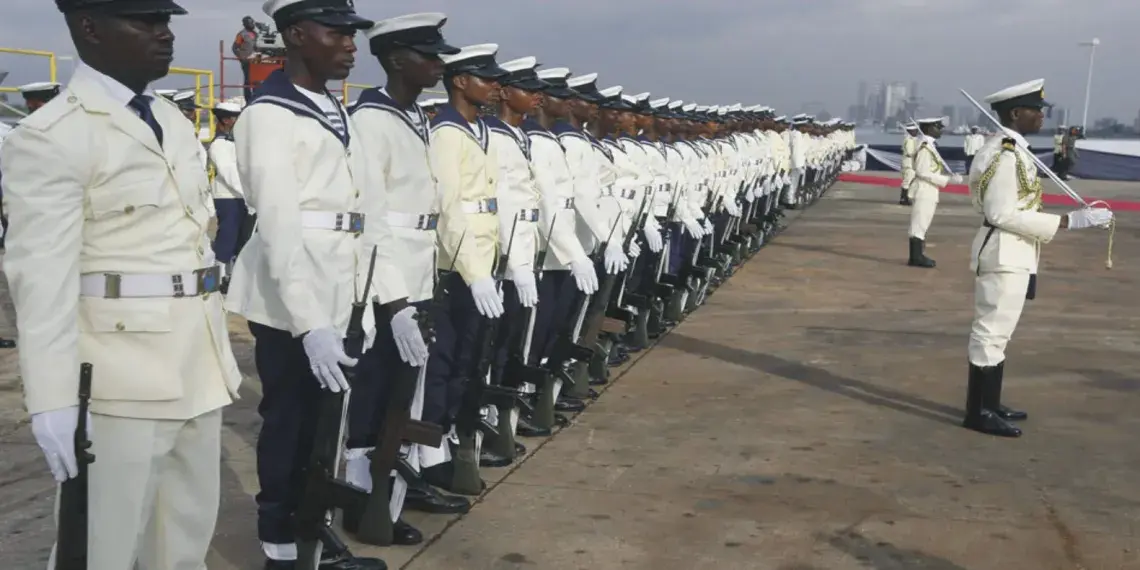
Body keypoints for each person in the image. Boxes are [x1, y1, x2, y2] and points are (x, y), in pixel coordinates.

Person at [1, 0, 243, 568]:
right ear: (89, 28)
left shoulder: (173, 119)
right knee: (105, 547)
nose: (163, 34)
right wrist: (52, 400)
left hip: (198, 361)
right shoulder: (52, 135)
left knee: (184, 542)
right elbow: (41, 280)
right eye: (144, 21)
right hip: (117, 375)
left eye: (165, 21)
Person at [223, 0, 383, 568]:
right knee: (289, 421)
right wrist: (309, 320)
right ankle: (281, 545)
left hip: (342, 291)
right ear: (294, 34)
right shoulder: (269, 114)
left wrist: (371, 297)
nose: (349, 44)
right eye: (336, 32)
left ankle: (315, 533)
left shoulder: (336, 110)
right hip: (293, 297)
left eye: (352, 33)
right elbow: (278, 225)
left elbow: (363, 210)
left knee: (325, 425)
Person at [345, 10, 470, 536]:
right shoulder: (370, 121)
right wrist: (393, 303)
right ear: (397, 59)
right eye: (429, 55)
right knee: (374, 398)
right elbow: (371, 220)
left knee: (407, 394)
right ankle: (363, 503)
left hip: (419, 274)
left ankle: (396, 489)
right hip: (386, 282)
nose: (439, 64)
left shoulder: (412, 116)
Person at [964, 79, 1113, 438]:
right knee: (990, 332)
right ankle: (978, 411)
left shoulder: (1016, 151)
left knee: (1002, 333)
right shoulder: (1003, 154)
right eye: (1036, 110)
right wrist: (1068, 221)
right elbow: (1000, 213)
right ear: (1016, 113)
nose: (1042, 116)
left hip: (1018, 251)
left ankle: (991, 403)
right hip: (1003, 251)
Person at [421, 43, 508, 494]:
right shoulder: (446, 134)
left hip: (483, 261)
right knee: (444, 361)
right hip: (456, 268)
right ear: (459, 82)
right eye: (484, 77)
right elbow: (449, 210)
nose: (495, 85)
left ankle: (454, 435)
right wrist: (474, 273)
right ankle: (431, 451)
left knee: (470, 360)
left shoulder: (480, 131)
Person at [907, 117, 962, 268]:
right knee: (919, 223)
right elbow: (923, 171)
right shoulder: (925, 147)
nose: (940, 130)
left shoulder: (929, 145)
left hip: (929, 189)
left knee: (923, 223)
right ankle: (915, 257)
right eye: (937, 127)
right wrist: (947, 180)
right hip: (924, 188)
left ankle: (918, 254)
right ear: (928, 128)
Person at [208, 99, 248, 286]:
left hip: (241, 197)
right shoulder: (219, 145)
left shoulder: (235, 142)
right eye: (234, 118)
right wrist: (249, 192)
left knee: (241, 238)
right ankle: (218, 275)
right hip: (227, 197)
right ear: (224, 120)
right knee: (227, 236)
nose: (238, 122)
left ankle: (231, 276)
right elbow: (229, 173)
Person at [234, 15, 259, 101]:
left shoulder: (256, 34)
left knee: (257, 79)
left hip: (256, 60)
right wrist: (241, 58)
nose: (252, 24)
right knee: (248, 80)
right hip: (246, 61)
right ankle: (248, 99)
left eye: (252, 22)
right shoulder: (241, 34)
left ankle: (256, 97)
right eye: (250, 22)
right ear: (245, 24)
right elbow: (235, 48)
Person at [899, 122, 919, 206]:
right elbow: (910, 152)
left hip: (910, 164)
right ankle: (904, 198)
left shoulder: (912, 139)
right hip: (909, 164)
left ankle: (906, 197)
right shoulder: (909, 140)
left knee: (909, 181)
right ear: (910, 131)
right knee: (907, 181)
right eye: (914, 131)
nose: (916, 132)